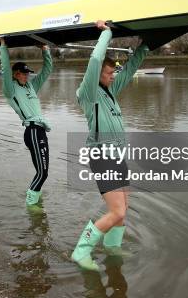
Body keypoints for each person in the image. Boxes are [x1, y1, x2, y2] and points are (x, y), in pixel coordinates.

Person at [71, 20, 149, 271]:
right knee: (116, 212)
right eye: (109, 72)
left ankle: (112, 248)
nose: (114, 74)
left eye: (113, 72)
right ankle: (81, 251)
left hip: (118, 157)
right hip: (102, 157)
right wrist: (106, 34)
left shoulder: (109, 90)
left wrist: (145, 47)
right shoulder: (88, 92)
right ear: (98, 75)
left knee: (124, 208)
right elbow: (94, 62)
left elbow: (129, 69)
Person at [0, 36, 53, 207]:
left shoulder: (31, 86)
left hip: (40, 130)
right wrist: (3, 46)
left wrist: (45, 50)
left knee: (41, 171)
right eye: (24, 73)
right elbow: (5, 69)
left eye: (28, 73)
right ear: (16, 74)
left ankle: (35, 198)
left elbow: (47, 70)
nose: (27, 76)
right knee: (43, 173)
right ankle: (31, 205)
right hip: (33, 131)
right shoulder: (10, 89)